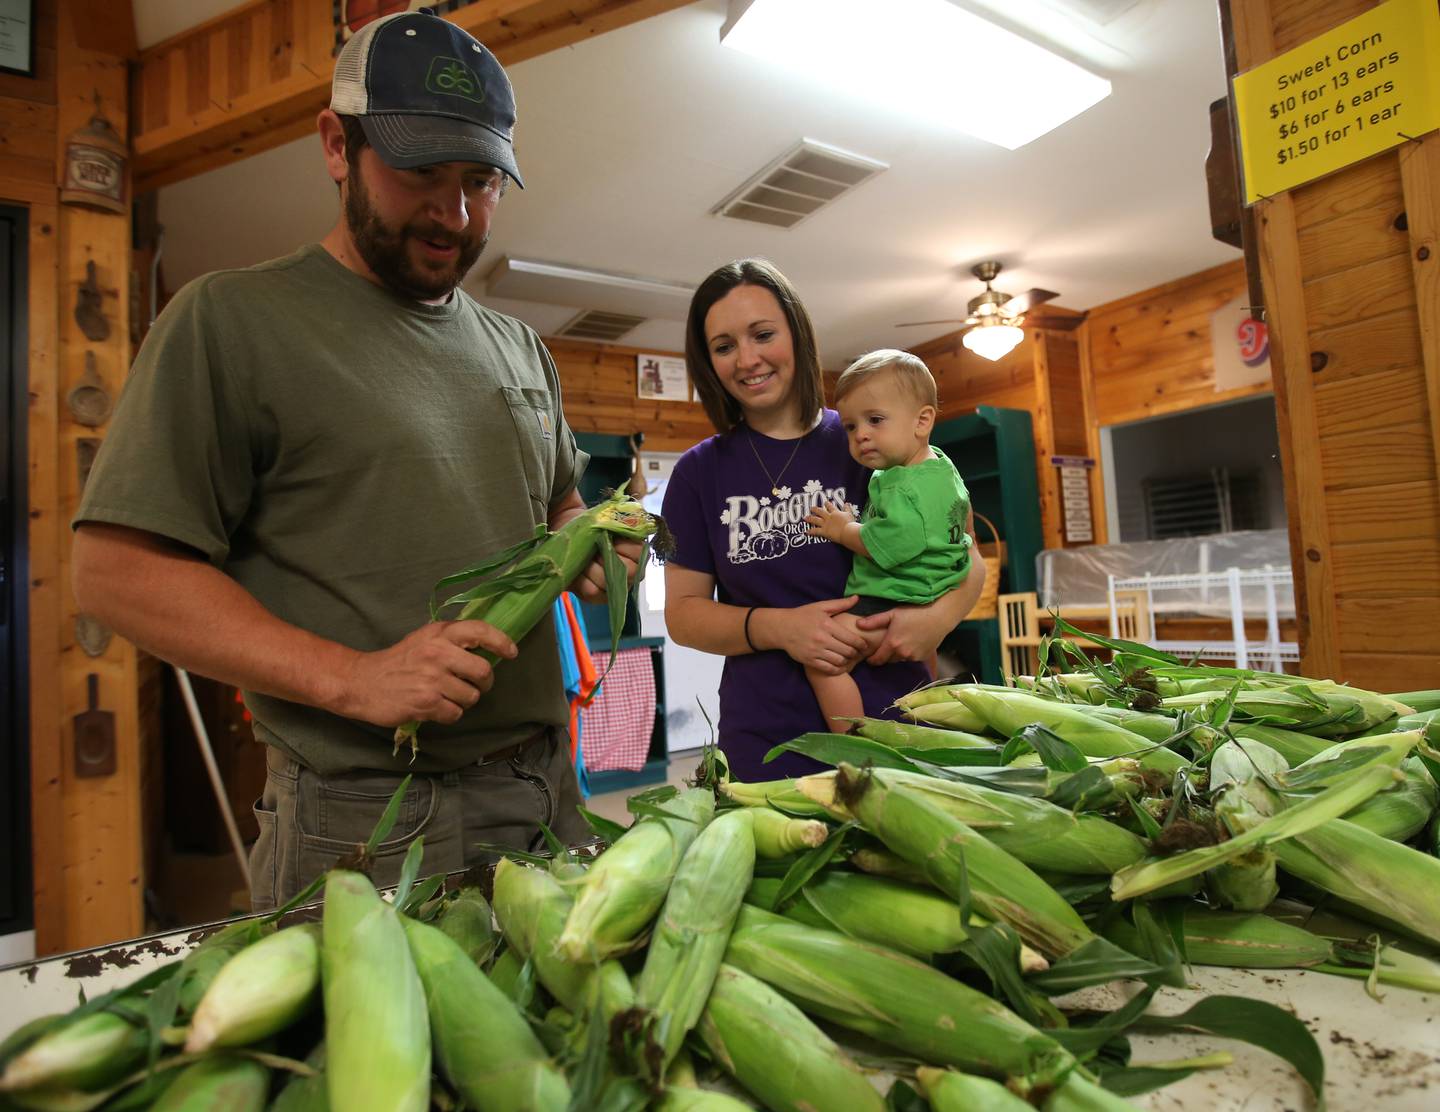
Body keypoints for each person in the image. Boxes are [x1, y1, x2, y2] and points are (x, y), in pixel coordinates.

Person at [71, 10, 635, 911]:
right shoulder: (230, 322)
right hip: (362, 816)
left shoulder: (522, 348)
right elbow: (113, 573)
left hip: (541, 793)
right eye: (420, 174)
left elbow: (558, 501)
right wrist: (356, 676)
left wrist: (591, 545)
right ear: (338, 146)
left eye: (482, 181)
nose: (454, 215)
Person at [662, 260, 986, 781]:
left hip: (901, 713)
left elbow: (966, 554)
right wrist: (782, 628)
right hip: (767, 736)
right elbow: (684, 615)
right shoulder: (699, 473)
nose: (747, 359)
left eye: (762, 334)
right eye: (724, 346)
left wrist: (937, 619)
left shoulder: (870, 435)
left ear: (797, 334)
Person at [803, 350, 974, 731]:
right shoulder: (939, 465)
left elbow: (885, 547)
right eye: (850, 426)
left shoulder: (904, 490)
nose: (861, 434)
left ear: (922, 421)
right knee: (920, 661)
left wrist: (841, 528)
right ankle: (925, 695)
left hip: (891, 597)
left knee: (823, 663)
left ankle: (856, 736)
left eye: (875, 420)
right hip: (934, 588)